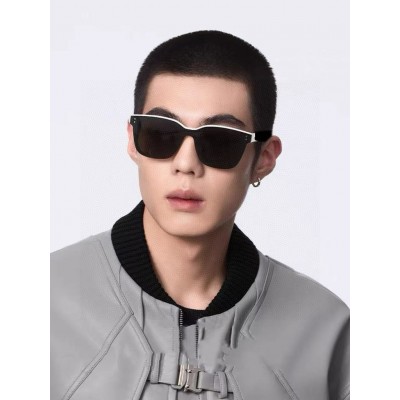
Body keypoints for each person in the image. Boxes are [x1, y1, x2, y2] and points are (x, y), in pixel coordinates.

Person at [51, 30, 349, 400]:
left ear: (264, 158)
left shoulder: (326, 330)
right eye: (161, 134)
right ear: (132, 141)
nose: (186, 163)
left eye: (219, 141)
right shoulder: (42, 303)